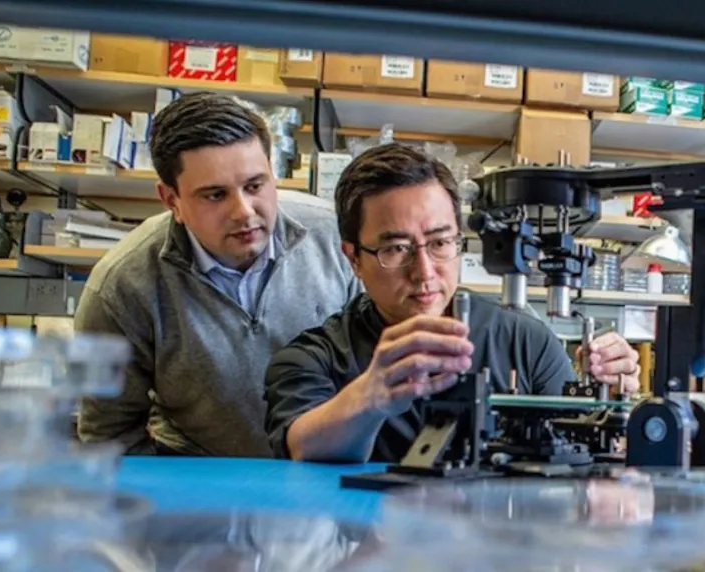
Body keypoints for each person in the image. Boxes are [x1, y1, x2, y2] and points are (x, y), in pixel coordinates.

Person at [264, 143, 641, 463]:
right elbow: (301, 444)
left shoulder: (526, 341)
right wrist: (370, 399)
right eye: (397, 248)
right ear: (353, 258)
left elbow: (584, 452)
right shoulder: (314, 357)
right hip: (368, 543)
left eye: (441, 243)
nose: (425, 271)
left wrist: (617, 395)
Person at [76, 92, 361, 457]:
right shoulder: (121, 287)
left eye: (255, 186)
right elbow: (110, 436)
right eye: (215, 195)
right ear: (171, 200)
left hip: (321, 471)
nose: (243, 211)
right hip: (200, 482)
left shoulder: (334, 237)